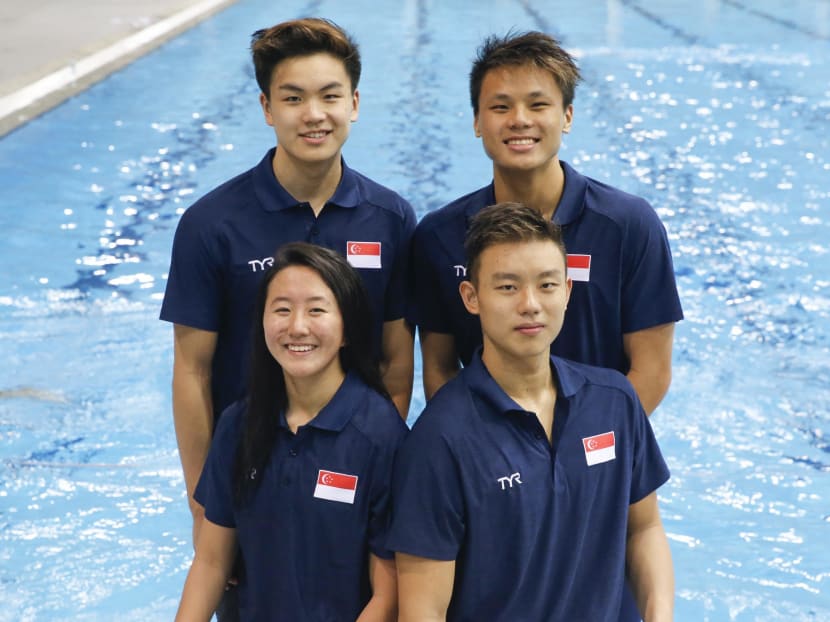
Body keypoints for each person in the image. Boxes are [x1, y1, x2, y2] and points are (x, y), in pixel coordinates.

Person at [160, 18, 416, 618]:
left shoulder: (390, 218)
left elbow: (396, 360)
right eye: (293, 98)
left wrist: (363, 467)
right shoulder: (211, 224)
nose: (314, 114)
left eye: (330, 96)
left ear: (354, 103)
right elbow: (192, 373)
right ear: (265, 108)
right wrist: (204, 508)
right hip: (250, 486)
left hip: (352, 490)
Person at [388, 203, 674, 621]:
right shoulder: (440, 439)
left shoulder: (613, 401)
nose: (531, 305)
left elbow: (644, 528)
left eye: (546, 285)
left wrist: (660, 613)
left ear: (568, 291)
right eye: (507, 287)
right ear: (472, 297)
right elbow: (423, 610)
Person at [409, 31, 683, 414]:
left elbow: (652, 370)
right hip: (493, 459)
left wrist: (589, 451)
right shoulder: (439, 235)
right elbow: (439, 367)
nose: (520, 121)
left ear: (567, 116)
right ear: (476, 121)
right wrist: (486, 450)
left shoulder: (628, 225)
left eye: (538, 105)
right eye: (500, 107)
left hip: (601, 454)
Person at [176, 242, 407, 621]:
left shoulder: (380, 436)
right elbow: (211, 563)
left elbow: (388, 594)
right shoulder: (240, 425)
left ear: (347, 329)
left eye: (316, 310)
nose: (297, 327)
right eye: (282, 310)